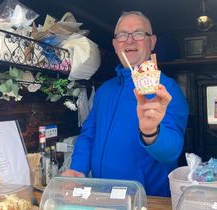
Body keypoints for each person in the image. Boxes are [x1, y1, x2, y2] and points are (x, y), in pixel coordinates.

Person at [62, 11, 188, 197]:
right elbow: (89, 134)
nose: (129, 41)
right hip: (103, 197)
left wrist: (151, 132)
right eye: (122, 35)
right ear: (115, 44)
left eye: (138, 33)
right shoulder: (105, 90)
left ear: (152, 42)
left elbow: (171, 152)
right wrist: (77, 169)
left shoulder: (166, 88)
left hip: (145, 200)